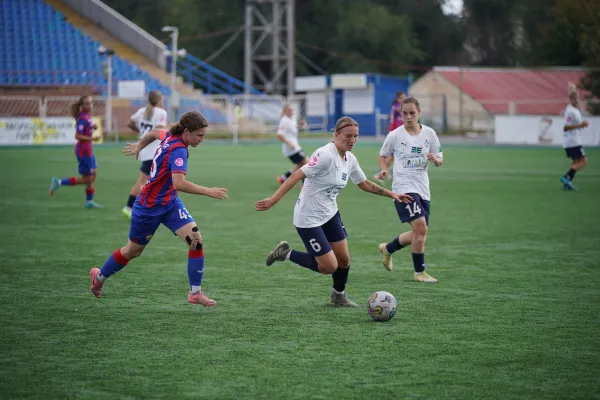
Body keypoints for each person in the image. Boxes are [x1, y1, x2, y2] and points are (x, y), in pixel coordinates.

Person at [256, 117, 413, 306]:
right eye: (348, 136)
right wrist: (273, 200)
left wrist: (392, 194)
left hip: (330, 214)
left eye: (355, 136)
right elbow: (297, 175)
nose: (352, 140)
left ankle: (338, 296)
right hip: (309, 218)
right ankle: (285, 253)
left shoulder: (350, 159)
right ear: (336, 134)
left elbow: (363, 183)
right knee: (329, 266)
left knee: (344, 260)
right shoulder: (325, 155)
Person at [88, 111, 228, 306]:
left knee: (195, 240)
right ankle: (99, 278)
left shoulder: (171, 134)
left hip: (170, 203)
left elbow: (155, 132)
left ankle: (195, 293)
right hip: (149, 208)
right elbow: (179, 183)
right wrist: (208, 191)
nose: (202, 139)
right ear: (187, 131)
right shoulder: (178, 150)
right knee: (132, 251)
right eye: (199, 135)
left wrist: (140, 145)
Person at [376, 96, 443, 283]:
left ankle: (387, 248)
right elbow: (383, 156)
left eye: (412, 113)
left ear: (419, 112)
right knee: (421, 229)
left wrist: (436, 160)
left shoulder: (429, 133)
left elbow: (440, 158)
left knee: (419, 233)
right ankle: (419, 272)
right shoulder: (395, 135)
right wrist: (384, 169)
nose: (408, 117)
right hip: (403, 188)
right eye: (404, 113)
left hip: (423, 188)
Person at [49, 95, 102, 208]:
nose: (90, 105)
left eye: (91, 103)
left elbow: (85, 129)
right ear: (82, 105)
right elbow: (78, 136)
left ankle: (89, 202)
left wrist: (92, 127)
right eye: (87, 103)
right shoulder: (83, 118)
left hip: (88, 150)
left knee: (93, 175)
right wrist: (93, 138)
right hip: (84, 151)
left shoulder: (86, 116)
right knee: (88, 179)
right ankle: (59, 182)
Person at [122, 90, 168, 219]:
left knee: (151, 180)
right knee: (143, 181)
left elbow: (129, 123)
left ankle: (144, 207)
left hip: (144, 148)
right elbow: (159, 130)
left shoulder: (142, 111)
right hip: (152, 150)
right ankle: (129, 207)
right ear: (159, 100)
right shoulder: (161, 112)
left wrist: (142, 132)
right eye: (162, 99)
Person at [560, 83, 589, 191]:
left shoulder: (574, 110)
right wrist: (581, 125)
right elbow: (566, 127)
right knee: (584, 161)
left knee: (576, 162)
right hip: (573, 141)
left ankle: (567, 183)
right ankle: (566, 177)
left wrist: (581, 125)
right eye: (575, 98)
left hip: (574, 140)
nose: (577, 100)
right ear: (570, 99)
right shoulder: (570, 111)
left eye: (578, 98)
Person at [374, 91, 406, 183]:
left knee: (399, 155)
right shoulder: (396, 106)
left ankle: (392, 173)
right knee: (392, 156)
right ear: (398, 99)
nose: (403, 100)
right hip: (395, 134)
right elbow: (400, 110)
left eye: (405, 98)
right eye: (402, 98)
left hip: (401, 134)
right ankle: (380, 173)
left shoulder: (401, 108)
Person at [276, 104, 308, 185]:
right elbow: (279, 135)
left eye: (292, 109)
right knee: (307, 163)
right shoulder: (284, 120)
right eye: (289, 110)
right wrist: (289, 144)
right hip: (291, 149)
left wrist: (300, 125)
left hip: (295, 146)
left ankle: (283, 178)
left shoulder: (292, 118)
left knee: (301, 165)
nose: (291, 111)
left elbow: (293, 128)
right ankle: (304, 184)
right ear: (285, 111)